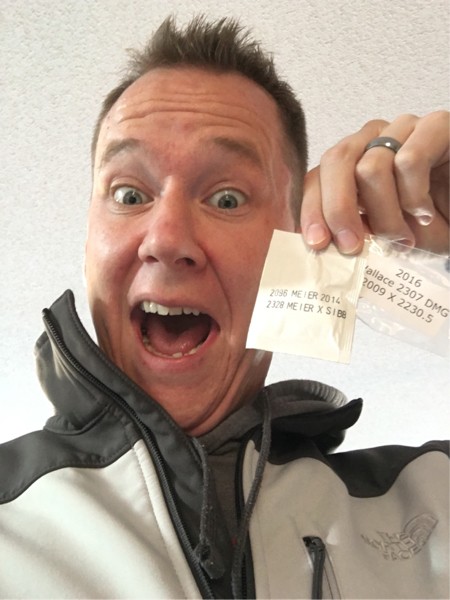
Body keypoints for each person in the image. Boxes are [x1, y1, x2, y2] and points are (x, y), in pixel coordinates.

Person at [0, 15, 448, 599]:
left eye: (228, 198)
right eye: (129, 194)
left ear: (298, 245)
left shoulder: (432, 498)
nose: (166, 239)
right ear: (88, 245)